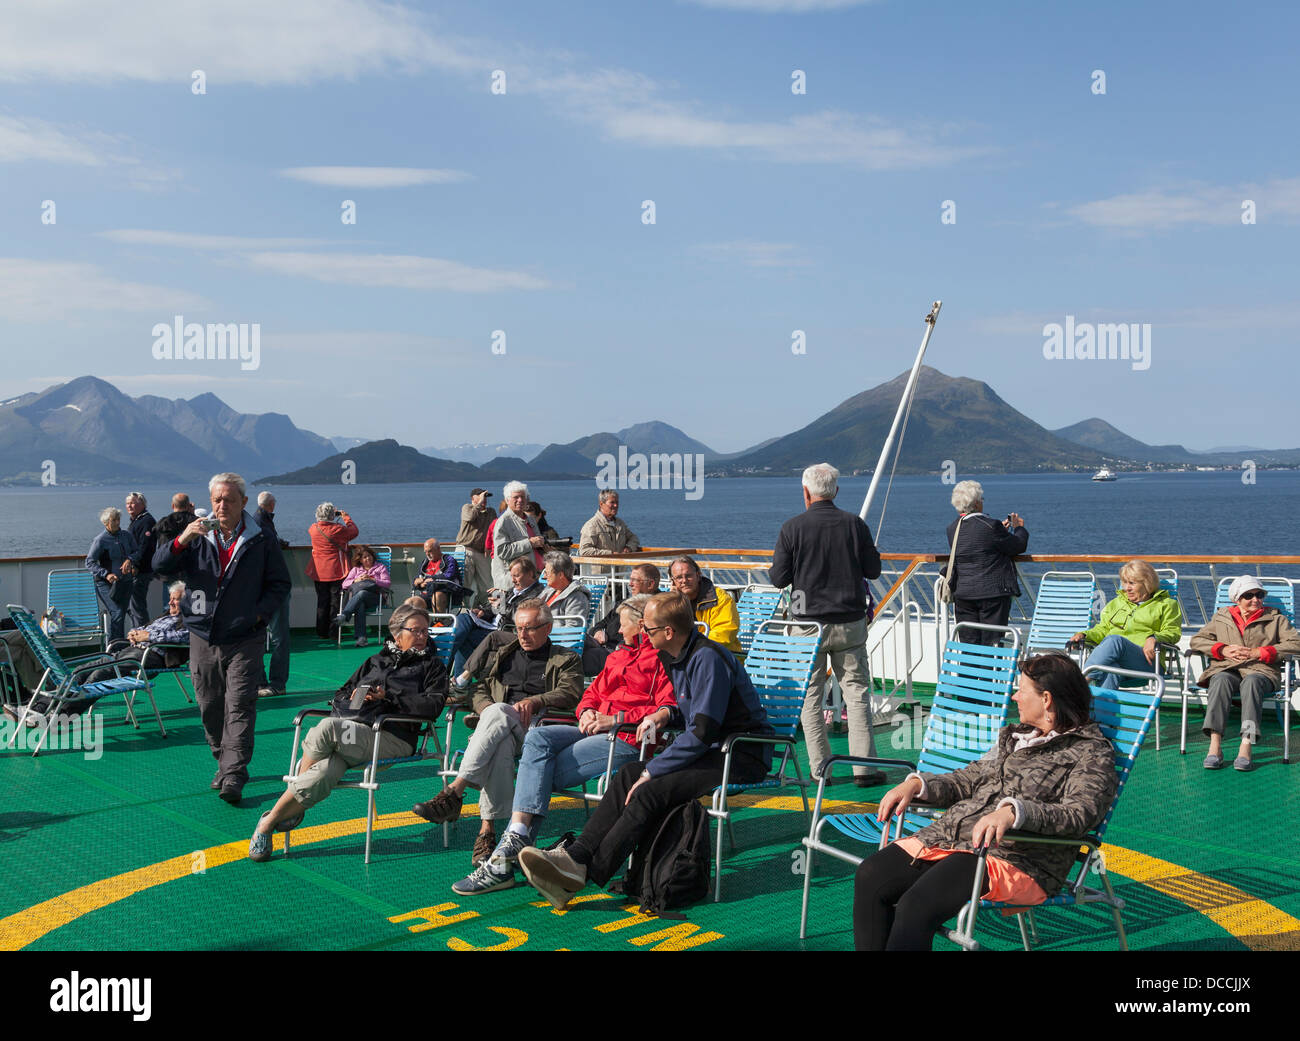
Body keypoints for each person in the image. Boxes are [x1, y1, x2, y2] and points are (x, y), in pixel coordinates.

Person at [517, 592, 772, 910]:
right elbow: (693, 714)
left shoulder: (708, 658)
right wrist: (665, 714)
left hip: (742, 754)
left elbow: (704, 728)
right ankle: (576, 856)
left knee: (650, 789)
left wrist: (654, 769)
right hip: (712, 748)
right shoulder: (676, 655)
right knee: (627, 775)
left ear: (668, 632)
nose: (642, 634)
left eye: (648, 629)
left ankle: (583, 874)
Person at [853, 654, 1116, 951]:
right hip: (958, 838)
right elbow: (968, 778)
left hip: (1018, 856)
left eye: (1021, 690)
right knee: (871, 875)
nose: (1014, 696)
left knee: (917, 905)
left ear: (1046, 699)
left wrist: (1013, 813)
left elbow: (1081, 814)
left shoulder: (1091, 753)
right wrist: (916, 785)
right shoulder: (1014, 737)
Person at [451, 594, 675, 894]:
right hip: (591, 729)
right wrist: (586, 712)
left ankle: (507, 853)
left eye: (622, 625)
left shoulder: (661, 659)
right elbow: (589, 694)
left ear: (641, 623)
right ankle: (515, 845)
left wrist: (615, 718)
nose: (618, 632)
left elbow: (667, 708)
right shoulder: (618, 655)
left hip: (625, 737)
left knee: (536, 774)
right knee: (538, 736)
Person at [248, 603, 448, 861]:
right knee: (326, 770)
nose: (423, 637)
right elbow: (340, 694)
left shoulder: (432, 667)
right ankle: (269, 822)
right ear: (398, 634)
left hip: (391, 737)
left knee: (328, 728)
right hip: (355, 735)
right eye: (416, 631)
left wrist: (390, 697)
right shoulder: (375, 661)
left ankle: (285, 808)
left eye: (425, 631)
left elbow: (433, 707)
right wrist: (355, 697)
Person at [411, 600, 583, 867]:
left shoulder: (565, 658)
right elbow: (480, 689)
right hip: (500, 730)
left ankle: (455, 790)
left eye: (530, 628)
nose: (522, 634)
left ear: (548, 628)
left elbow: (570, 693)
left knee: (499, 717)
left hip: (538, 732)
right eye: (518, 628)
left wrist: (536, 701)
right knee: (499, 740)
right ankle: (487, 833)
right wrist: (487, 709)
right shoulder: (506, 654)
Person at [153, 472, 291, 804]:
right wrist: (182, 538)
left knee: (240, 705)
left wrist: (258, 615)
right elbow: (159, 566)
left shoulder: (261, 539)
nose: (221, 505)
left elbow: (280, 584)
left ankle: (234, 775)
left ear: (243, 502)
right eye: (216, 499)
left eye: (228, 499)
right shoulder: (198, 537)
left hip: (245, 637)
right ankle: (222, 761)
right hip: (202, 635)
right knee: (209, 705)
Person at [770, 462, 885, 788]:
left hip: (807, 626)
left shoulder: (792, 528)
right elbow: (872, 570)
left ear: (806, 493)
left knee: (810, 698)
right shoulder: (855, 525)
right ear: (835, 491)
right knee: (858, 695)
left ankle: (821, 771)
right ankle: (864, 770)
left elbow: (778, 577)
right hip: (849, 622)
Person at [3, 582, 191, 726]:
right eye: (171, 598)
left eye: (175, 599)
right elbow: (141, 628)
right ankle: (36, 708)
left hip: (149, 658)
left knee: (99, 675)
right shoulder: (165, 616)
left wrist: (148, 635)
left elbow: (184, 638)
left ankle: (61, 716)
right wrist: (135, 633)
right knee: (80, 671)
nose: (170, 602)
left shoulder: (190, 620)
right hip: (130, 651)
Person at [1188, 576, 1300, 771]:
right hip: (1227, 667)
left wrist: (1262, 652)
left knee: (1251, 682)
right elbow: (1197, 640)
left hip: (1261, 671)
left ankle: (1246, 744)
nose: (1256, 599)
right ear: (1236, 599)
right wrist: (1222, 650)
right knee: (1220, 679)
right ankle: (1215, 745)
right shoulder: (1222, 617)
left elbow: (1295, 644)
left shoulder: (1276, 619)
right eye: (1249, 595)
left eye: (1259, 594)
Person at [1072, 559, 1183, 690]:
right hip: (1117, 661)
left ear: (1146, 583)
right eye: (1124, 582)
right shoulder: (1116, 603)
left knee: (1115, 641)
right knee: (1111, 670)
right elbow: (1102, 629)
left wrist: (1154, 637)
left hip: (1148, 662)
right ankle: (1102, 711)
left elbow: (1173, 632)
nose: (1126, 588)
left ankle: (1079, 685)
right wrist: (1084, 635)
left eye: (1132, 583)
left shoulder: (1167, 604)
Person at [943, 480, 1028, 646]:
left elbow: (975, 545)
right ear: (976, 503)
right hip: (992, 594)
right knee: (992, 644)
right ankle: (991, 672)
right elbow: (1018, 546)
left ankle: (968, 673)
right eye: (982, 499)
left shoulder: (953, 528)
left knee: (969, 646)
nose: (982, 502)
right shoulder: (991, 526)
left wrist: (999, 532)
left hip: (964, 594)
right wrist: (1019, 528)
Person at [448, 557, 545, 678]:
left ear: (530, 574)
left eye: (517, 576)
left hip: (504, 632)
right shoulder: (514, 590)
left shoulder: (537, 593)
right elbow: (495, 610)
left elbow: (523, 617)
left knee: (465, 637)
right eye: (512, 576)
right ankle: (455, 675)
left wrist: (502, 606)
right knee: (464, 617)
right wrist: (483, 612)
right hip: (491, 626)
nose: (513, 580)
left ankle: (444, 659)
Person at [584, 563, 661, 675]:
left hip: (620, 652)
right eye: (630, 580)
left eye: (635, 580)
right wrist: (598, 631)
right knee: (576, 645)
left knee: (576, 658)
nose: (630, 584)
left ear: (650, 584)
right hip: (602, 645)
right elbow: (600, 624)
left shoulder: (654, 608)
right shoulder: (624, 604)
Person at [254, 492, 291, 698]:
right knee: (278, 637)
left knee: (261, 636)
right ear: (272, 504)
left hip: (266, 588)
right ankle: (275, 683)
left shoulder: (257, 523)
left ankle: (264, 682)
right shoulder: (263, 523)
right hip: (272, 588)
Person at [85, 506, 139, 644]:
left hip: (125, 581)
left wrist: (130, 560)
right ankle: (116, 648)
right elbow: (89, 562)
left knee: (122, 613)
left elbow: (137, 552)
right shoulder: (100, 540)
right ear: (105, 522)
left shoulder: (126, 535)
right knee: (117, 613)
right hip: (105, 584)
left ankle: (120, 645)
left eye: (118, 519)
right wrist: (106, 574)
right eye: (113, 520)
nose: (117, 522)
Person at [668, 555, 741, 655]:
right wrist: (673, 601)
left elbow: (725, 633)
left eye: (688, 575)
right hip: (684, 653)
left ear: (698, 575)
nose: (684, 581)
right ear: (673, 581)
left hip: (720, 655)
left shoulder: (720, 599)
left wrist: (690, 644)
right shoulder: (670, 601)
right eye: (679, 577)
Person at [306, 502, 357, 639]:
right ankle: (333, 632)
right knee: (335, 603)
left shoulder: (313, 528)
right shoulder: (338, 529)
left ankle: (321, 632)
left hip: (317, 571)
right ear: (332, 515)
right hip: (335, 570)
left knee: (322, 601)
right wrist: (346, 517)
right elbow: (354, 531)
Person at [491, 481, 545, 589]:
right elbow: (502, 551)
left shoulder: (530, 519)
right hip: (512, 582)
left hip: (532, 579)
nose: (520, 500)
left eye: (523, 497)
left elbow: (536, 544)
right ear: (507, 500)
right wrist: (530, 543)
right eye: (516, 497)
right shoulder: (503, 522)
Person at [336, 545, 391, 647]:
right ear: (360, 560)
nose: (368, 558)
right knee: (360, 604)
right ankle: (362, 639)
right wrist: (356, 580)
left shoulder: (380, 567)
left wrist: (372, 579)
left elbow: (387, 583)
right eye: (364, 557)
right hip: (360, 600)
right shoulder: (356, 570)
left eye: (369, 556)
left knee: (361, 594)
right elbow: (344, 585)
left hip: (376, 598)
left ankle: (345, 615)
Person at [456, 488, 495, 609]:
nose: (485, 499)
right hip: (465, 551)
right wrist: (478, 504)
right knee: (464, 585)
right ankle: (464, 611)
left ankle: (479, 609)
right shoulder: (466, 508)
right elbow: (470, 517)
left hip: (482, 553)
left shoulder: (491, 512)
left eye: (486, 497)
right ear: (473, 498)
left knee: (487, 585)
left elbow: (494, 529)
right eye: (481, 496)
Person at [125, 492, 158, 628]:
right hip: (134, 569)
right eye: (128, 503)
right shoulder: (136, 521)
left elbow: (145, 547)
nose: (129, 506)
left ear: (142, 504)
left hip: (140, 570)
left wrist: (134, 564)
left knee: (137, 607)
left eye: (133, 503)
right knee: (133, 606)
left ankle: (143, 639)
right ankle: (137, 636)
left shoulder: (147, 521)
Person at [578, 490, 641, 557]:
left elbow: (634, 538)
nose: (616, 505)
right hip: (603, 566)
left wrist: (629, 548)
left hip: (619, 566)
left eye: (617, 502)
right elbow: (584, 551)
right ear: (601, 504)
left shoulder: (620, 523)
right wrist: (610, 554)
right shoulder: (592, 525)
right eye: (612, 502)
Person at [412, 538, 464, 614]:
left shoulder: (448, 560)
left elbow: (448, 576)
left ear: (438, 549)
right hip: (427, 594)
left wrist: (429, 579)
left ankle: (440, 622)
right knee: (411, 602)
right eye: (425, 552)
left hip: (447, 595)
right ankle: (417, 625)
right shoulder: (425, 562)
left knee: (437, 596)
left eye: (430, 551)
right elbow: (419, 578)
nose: (427, 554)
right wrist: (417, 583)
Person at [540, 551, 590, 624]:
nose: (544, 577)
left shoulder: (577, 598)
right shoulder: (549, 591)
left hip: (551, 634)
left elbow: (572, 630)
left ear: (560, 575)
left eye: (547, 573)